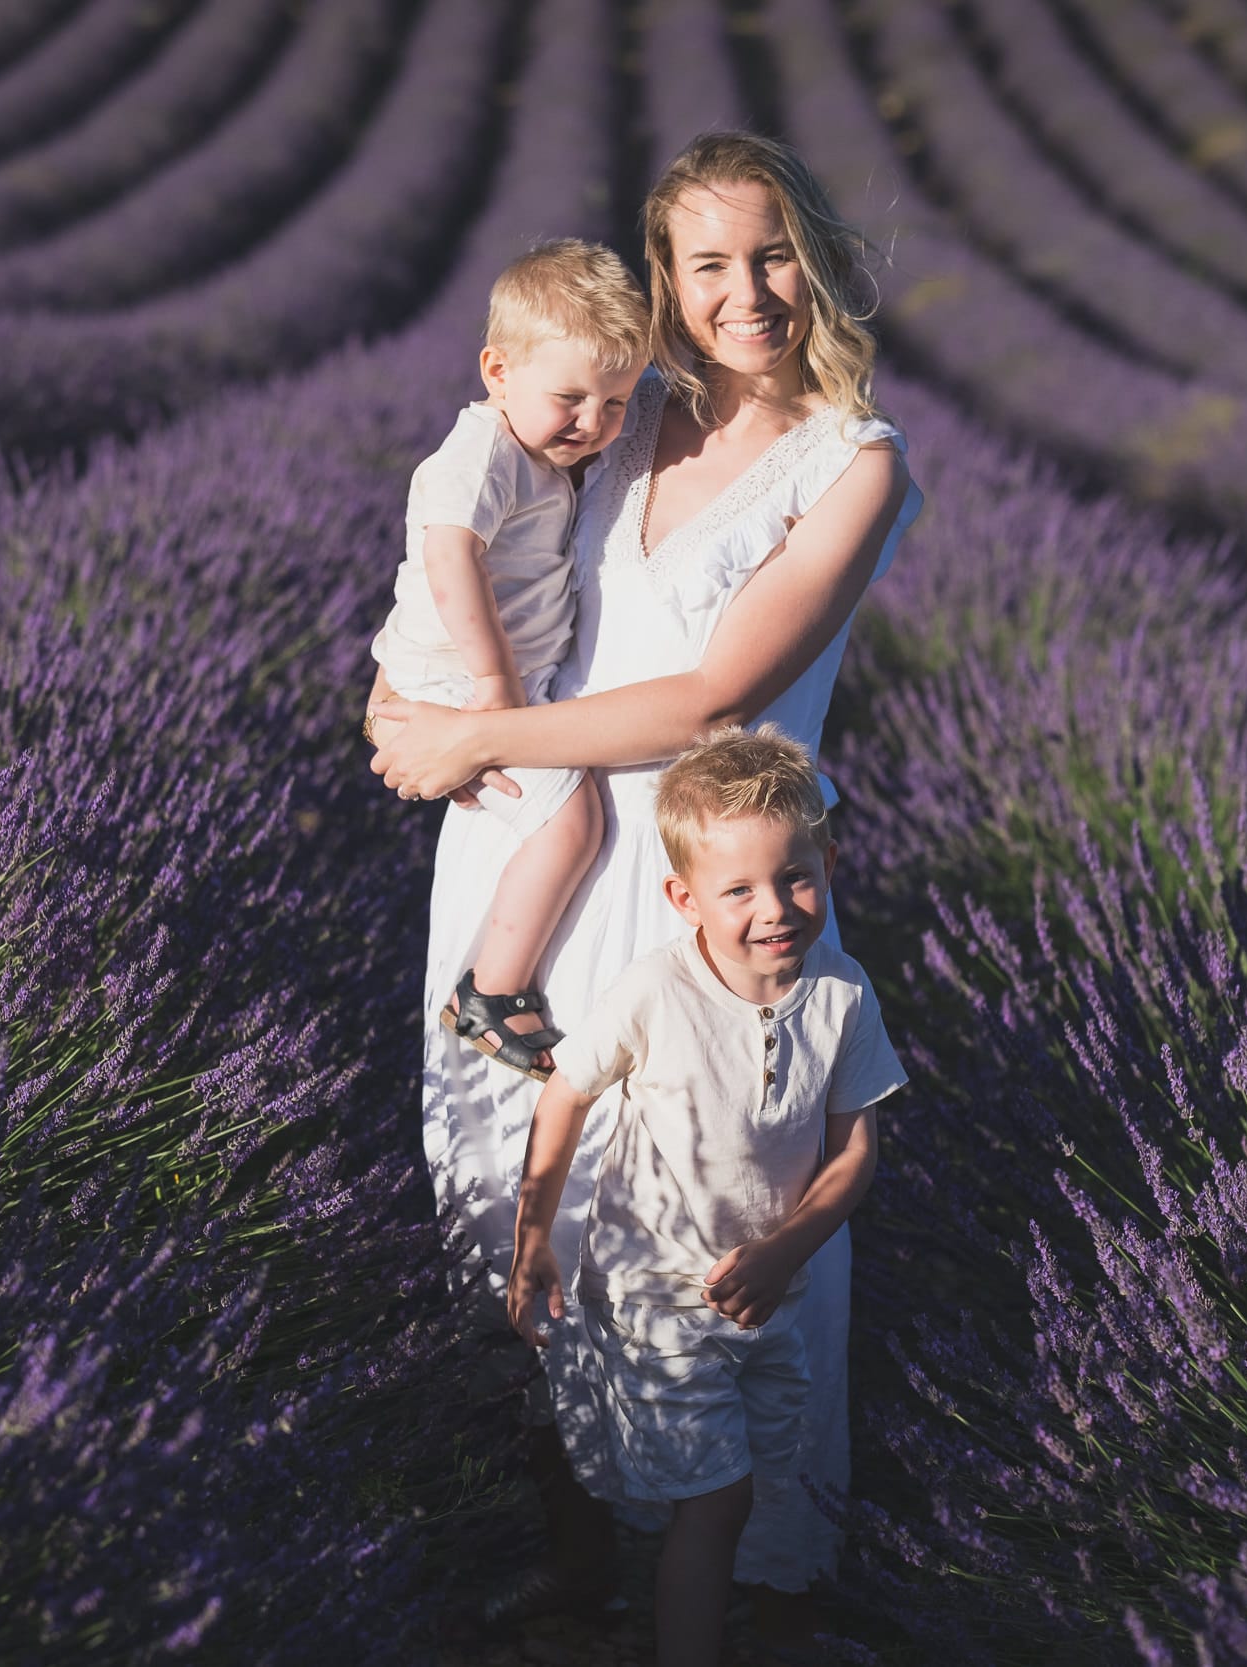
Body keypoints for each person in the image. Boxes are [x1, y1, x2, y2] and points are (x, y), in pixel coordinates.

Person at [372, 130, 924, 1626]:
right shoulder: (619, 414)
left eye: (774, 254)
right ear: (666, 283)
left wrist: (475, 733)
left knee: (704, 1223)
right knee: (522, 1204)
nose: (749, 291)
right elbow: (468, 554)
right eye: (709, 263)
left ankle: (715, 1596)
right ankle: (570, 1561)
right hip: (532, 866)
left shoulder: (855, 464)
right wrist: (402, 698)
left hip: (704, 897)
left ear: (819, 258)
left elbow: (712, 699)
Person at [509, 728, 902, 1667]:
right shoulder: (656, 989)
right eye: (739, 890)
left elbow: (855, 1150)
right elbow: (564, 1093)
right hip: (658, 1293)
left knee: (756, 1484)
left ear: (829, 864)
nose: (775, 908)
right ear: (685, 899)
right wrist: (534, 1238)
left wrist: (786, 1249)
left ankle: (721, 1615)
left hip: (768, 1293)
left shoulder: (843, 993)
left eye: (795, 877)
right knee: (717, 1501)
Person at [367, 239, 648, 1079]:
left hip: (486, 679)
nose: (593, 422)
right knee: (573, 820)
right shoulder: (483, 453)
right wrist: (495, 688)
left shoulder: (539, 455)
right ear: (497, 371)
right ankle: (490, 991)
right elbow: (449, 554)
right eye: (570, 397)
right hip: (461, 681)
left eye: (616, 403)